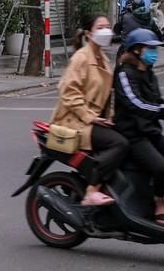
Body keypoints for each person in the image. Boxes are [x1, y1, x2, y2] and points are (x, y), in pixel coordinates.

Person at [113, 28, 164, 226]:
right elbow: (137, 104)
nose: (154, 53)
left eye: (155, 49)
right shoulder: (124, 74)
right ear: (137, 50)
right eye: (150, 48)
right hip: (132, 136)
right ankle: (160, 204)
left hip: (151, 133)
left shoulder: (149, 73)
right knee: (162, 168)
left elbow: (158, 103)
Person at [48, 11, 129, 207]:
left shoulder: (103, 58)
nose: (106, 31)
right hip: (76, 121)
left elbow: (108, 95)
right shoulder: (81, 58)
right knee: (119, 144)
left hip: (94, 119)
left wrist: (110, 117)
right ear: (88, 33)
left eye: (107, 27)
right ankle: (92, 190)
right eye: (100, 28)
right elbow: (69, 94)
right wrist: (91, 117)